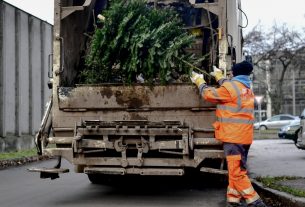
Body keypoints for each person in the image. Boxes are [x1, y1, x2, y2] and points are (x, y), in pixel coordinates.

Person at [190, 61, 267, 207]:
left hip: (233, 139)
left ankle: (256, 202)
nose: (229, 75)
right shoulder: (246, 88)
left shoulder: (231, 88)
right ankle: (233, 201)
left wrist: (199, 81)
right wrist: (219, 76)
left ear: (234, 73)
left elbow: (208, 94)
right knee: (236, 170)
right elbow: (229, 86)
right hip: (244, 138)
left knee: (237, 173)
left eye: (231, 73)